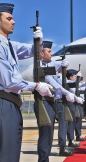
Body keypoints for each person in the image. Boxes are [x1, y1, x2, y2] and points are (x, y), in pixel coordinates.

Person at [0, 3, 53, 162]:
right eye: (9, 18)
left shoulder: (9, 44)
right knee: (7, 154)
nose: (14, 21)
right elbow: (9, 81)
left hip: (11, 103)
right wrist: (36, 86)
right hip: (4, 102)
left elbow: (32, 51)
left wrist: (39, 40)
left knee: (11, 151)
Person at [34, 41, 84, 161]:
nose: (51, 53)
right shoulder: (39, 66)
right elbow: (53, 82)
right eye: (49, 51)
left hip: (50, 102)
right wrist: (68, 93)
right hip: (43, 101)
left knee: (49, 133)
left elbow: (55, 68)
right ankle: (43, 159)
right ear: (41, 53)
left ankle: (45, 158)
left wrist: (62, 65)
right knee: (46, 133)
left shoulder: (47, 66)